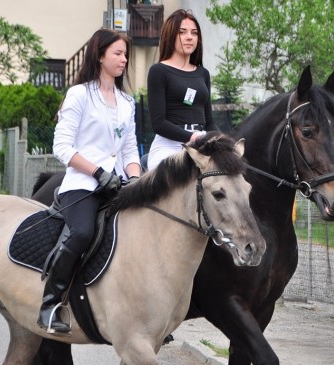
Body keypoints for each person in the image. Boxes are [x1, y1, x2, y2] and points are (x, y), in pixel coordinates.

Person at [38, 29, 142, 334]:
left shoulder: (126, 102)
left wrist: (136, 179)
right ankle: (50, 304)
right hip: (82, 185)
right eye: (118, 54)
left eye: (125, 55)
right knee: (82, 233)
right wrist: (97, 172)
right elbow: (62, 147)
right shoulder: (79, 95)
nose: (124, 60)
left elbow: (130, 150)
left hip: (118, 186)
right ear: (99, 55)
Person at [147, 9, 218, 170]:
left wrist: (223, 140)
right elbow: (158, 123)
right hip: (168, 146)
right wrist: (192, 137)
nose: (189, 37)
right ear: (170, 35)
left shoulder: (203, 73)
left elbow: (210, 122)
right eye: (182, 32)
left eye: (194, 33)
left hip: (201, 142)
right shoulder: (158, 71)